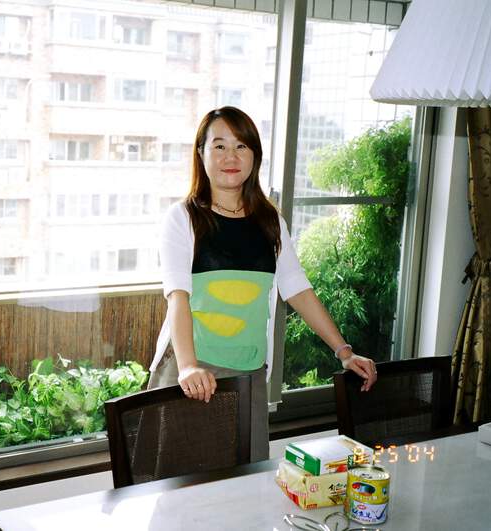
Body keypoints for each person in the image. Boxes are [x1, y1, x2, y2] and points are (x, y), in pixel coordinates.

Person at [149, 106, 378, 461]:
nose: (231, 157)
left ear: (254, 155)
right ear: (201, 153)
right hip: (194, 375)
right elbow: (177, 297)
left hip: (249, 375)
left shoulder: (270, 221)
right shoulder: (183, 218)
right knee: (184, 483)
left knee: (246, 479)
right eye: (219, 146)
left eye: (241, 146)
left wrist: (344, 353)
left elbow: (298, 289)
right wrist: (189, 366)